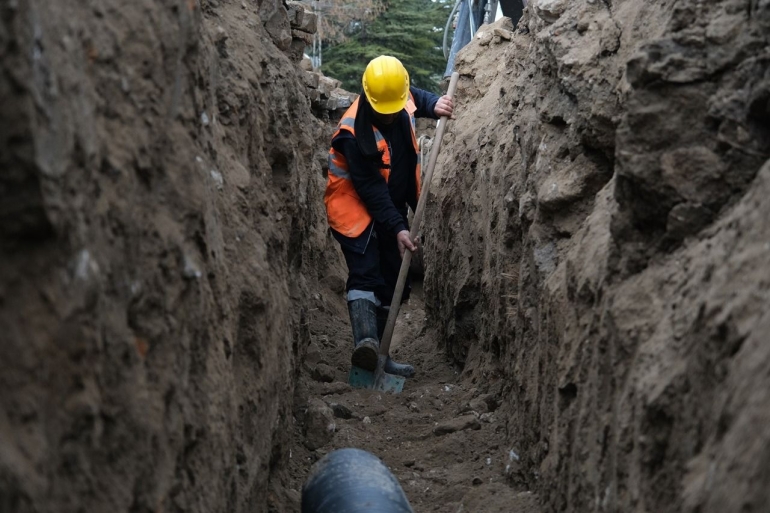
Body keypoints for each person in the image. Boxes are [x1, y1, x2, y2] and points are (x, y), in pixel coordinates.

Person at [324, 55, 454, 378]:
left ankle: (381, 356)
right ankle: (365, 344)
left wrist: (436, 103)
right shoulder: (354, 133)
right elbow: (371, 190)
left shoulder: (399, 95)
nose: (392, 114)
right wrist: (398, 227)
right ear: (368, 97)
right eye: (386, 110)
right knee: (367, 269)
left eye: (396, 107)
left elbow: (417, 99)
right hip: (354, 206)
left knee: (394, 273)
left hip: (390, 203)